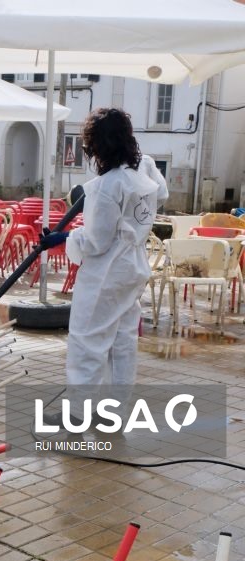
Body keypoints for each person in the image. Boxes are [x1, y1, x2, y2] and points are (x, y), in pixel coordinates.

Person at [40, 107, 168, 428]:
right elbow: (162, 193)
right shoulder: (146, 167)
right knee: (122, 342)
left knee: (87, 340)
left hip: (106, 273)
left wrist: (64, 237)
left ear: (97, 146)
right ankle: (113, 414)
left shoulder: (107, 186)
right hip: (133, 267)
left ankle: (76, 415)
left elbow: (97, 241)